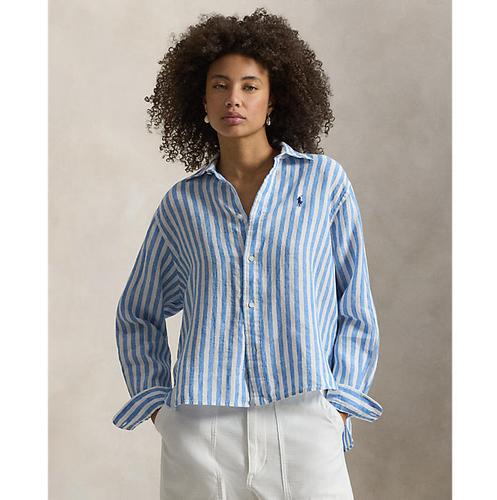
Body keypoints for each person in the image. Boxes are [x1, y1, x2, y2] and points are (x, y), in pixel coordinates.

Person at [112, 8, 383, 500]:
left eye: (249, 86)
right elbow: (138, 312)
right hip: (202, 432)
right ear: (202, 99)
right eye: (219, 86)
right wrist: (159, 408)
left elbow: (355, 304)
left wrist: (338, 407)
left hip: (305, 418)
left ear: (273, 98)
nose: (233, 98)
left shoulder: (324, 184)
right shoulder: (182, 205)